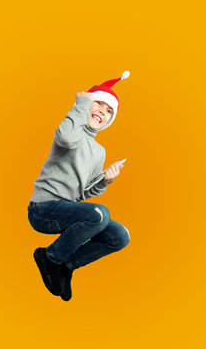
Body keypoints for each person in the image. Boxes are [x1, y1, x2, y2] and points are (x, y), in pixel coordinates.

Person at [27, 70, 131, 301]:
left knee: (120, 236)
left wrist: (105, 181)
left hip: (67, 211)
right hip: (43, 209)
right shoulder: (71, 128)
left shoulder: (99, 151)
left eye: (108, 111)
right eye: (99, 104)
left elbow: (83, 194)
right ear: (87, 104)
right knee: (100, 214)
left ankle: (66, 266)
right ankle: (50, 257)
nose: (102, 112)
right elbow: (66, 139)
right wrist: (82, 103)